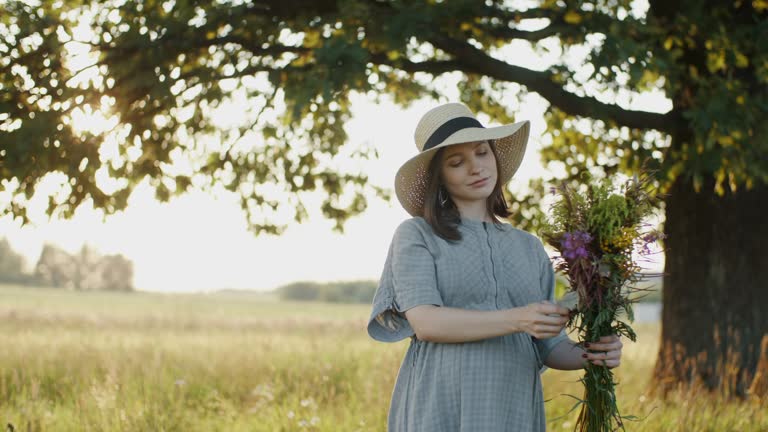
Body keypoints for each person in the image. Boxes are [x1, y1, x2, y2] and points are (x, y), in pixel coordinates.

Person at [367, 103, 624, 431]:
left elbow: (549, 346)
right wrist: (519, 319)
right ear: (440, 178)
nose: (476, 168)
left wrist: (591, 355)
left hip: (512, 406)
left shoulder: (529, 248)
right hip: (440, 404)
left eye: (482, 153)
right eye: (457, 162)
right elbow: (427, 322)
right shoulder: (417, 234)